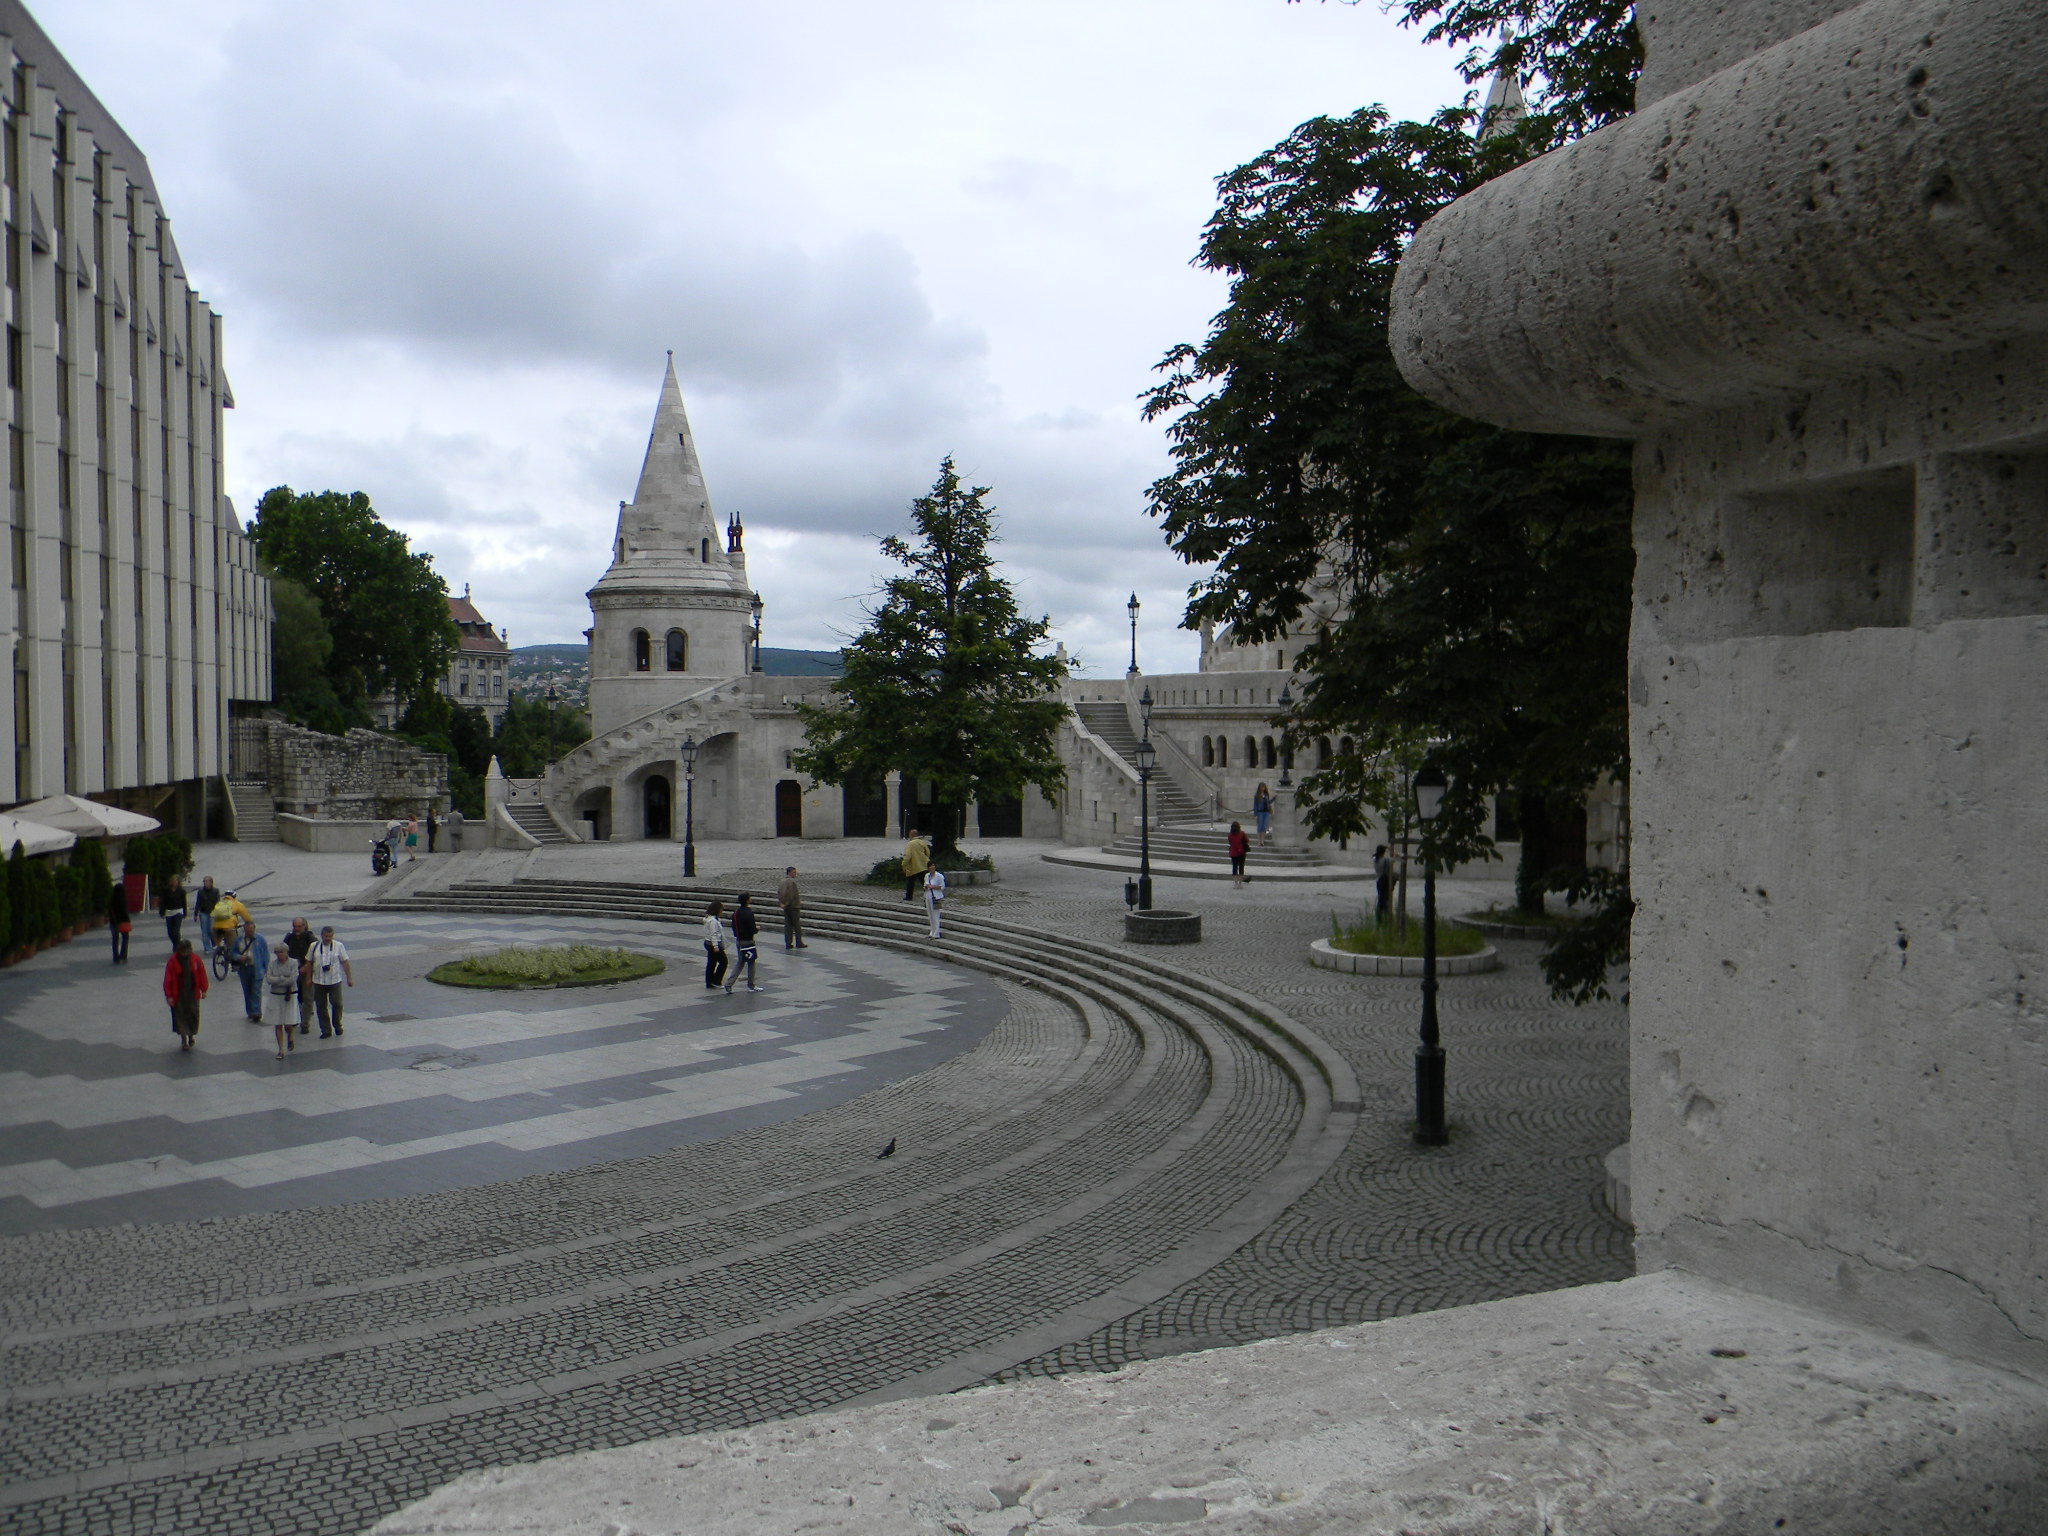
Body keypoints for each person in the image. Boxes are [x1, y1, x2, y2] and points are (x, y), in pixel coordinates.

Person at [162, 939, 208, 1051]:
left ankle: (191, 1035)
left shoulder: (196, 959)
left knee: (193, 1013)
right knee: (180, 1015)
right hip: (179, 993)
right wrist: (169, 996)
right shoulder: (173, 961)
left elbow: (202, 974)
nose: (185, 953)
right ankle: (184, 1040)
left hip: (192, 992)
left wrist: (204, 989)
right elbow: (168, 979)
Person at [310, 925, 353, 1037]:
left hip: (335, 981)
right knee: (321, 1006)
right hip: (318, 981)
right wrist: (309, 979)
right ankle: (326, 1030)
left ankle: (337, 1024)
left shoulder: (339, 946)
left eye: (330, 936)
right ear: (322, 936)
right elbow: (309, 963)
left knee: (337, 1003)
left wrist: (349, 977)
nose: (328, 938)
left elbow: (345, 962)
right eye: (326, 936)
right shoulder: (314, 946)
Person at [262, 939, 301, 1058]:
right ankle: (281, 1050)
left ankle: (290, 1036)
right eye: (277, 952)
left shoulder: (294, 963)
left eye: (281, 952)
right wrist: (282, 979)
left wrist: (277, 979)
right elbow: (269, 979)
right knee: (278, 1024)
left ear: (286, 952)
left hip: (290, 995)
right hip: (276, 996)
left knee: (289, 1024)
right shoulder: (272, 964)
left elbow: (293, 979)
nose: (279, 954)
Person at [282, 917, 317, 1035]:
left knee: (307, 997)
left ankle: (305, 1023)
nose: (296, 929)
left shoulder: (309, 938)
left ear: (304, 926)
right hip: (293, 972)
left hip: (307, 971)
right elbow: (283, 950)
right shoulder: (289, 938)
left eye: (299, 927)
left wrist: (306, 967)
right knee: (294, 997)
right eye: (294, 926)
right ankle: (295, 1018)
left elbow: (316, 954)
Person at [230, 919, 270, 1023]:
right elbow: (233, 953)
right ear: (244, 930)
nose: (249, 933)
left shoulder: (260, 939)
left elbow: (265, 954)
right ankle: (250, 1011)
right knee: (247, 991)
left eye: (251, 931)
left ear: (254, 929)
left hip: (257, 968)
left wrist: (265, 968)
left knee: (256, 991)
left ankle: (256, 1012)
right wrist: (239, 957)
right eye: (247, 931)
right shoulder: (239, 940)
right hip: (244, 969)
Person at [725, 894, 762, 993]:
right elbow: (752, 930)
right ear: (747, 900)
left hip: (739, 940)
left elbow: (733, 926)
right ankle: (751, 985)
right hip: (748, 941)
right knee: (751, 962)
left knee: (740, 962)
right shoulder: (749, 913)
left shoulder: (736, 913)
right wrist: (757, 929)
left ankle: (729, 983)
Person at [777, 866, 806, 950]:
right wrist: (786, 903)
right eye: (794, 872)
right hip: (793, 906)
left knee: (788, 925)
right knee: (796, 925)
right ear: (789, 873)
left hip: (785, 906)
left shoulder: (782, 881)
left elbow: (779, 892)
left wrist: (781, 903)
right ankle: (799, 942)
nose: (795, 874)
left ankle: (788, 943)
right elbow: (791, 895)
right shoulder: (791, 882)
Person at [701, 900, 728, 989]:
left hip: (708, 943)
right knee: (723, 962)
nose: (722, 911)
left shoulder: (709, 918)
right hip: (713, 944)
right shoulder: (713, 921)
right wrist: (716, 946)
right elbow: (714, 934)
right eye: (721, 909)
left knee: (712, 963)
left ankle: (709, 981)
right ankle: (716, 980)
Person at [901, 828, 930, 901]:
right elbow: (928, 853)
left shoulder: (910, 844)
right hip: (922, 865)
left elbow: (907, 856)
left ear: (911, 835)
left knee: (910, 882)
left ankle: (909, 897)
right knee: (924, 882)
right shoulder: (922, 842)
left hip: (912, 866)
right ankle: (928, 895)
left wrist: (904, 864)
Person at [193, 876, 221, 954]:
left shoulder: (215, 891)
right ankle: (207, 948)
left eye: (207, 881)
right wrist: (195, 914)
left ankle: (214, 943)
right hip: (203, 913)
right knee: (204, 932)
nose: (206, 883)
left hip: (212, 913)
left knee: (211, 930)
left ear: (211, 882)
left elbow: (218, 902)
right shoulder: (200, 891)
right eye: (204, 882)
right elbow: (198, 903)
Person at [161, 875, 188, 952]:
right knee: (170, 932)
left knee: (176, 931)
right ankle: (177, 943)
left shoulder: (181, 891)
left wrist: (185, 913)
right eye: (173, 881)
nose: (174, 883)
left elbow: (184, 902)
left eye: (176, 881)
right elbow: (163, 902)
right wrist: (162, 912)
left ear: (178, 882)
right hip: (169, 912)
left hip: (178, 912)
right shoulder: (166, 891)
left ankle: (177, 947)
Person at [107, 878, 131, 963]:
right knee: (125, 938)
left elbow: (110, 912)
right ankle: (123, 956)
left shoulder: (111, 900)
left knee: (115, 940)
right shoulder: (123, 900)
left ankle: (115, 957)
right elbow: (125, 912)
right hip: (123, 922)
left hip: (114, 922)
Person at [1373, 844, 1395, 925]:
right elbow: (1398, 858)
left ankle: (1380, 918)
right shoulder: (1386, 860)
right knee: (1385, 900)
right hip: (1385, 882)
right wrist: (1391, 849)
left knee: (1381, 899)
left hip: (1379, 880)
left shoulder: (1375, 859)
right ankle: (1385, 918)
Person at [923, 865, 947, 938]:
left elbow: (942, 886)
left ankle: (936, 933)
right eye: (930, 867)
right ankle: (932, 931)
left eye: (933, 866)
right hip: (928, 896)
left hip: (936, 897)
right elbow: (925, 885)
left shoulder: (939, 876)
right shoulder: (927, 876)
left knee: (935, 914)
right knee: (930, 914)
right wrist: (925, 887)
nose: (932, 868)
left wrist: (932, 887)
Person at [1227, 821, 1250, 888]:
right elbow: (1247, 840)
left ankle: (1235, 883)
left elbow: (1230, 842)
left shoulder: (1230, 835)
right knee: (1241, 867)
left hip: (1233, 853)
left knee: (1234, 867)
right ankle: (1240, 883)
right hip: (1241, 852)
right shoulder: (1242, 833)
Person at [1253, 783, 1273, 847]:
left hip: (1266, 812)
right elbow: (1255, 805)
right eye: (1261, 787)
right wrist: (1255, 814)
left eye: (1263, 787)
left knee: (1264, 827)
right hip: (1260, 812)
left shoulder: (1266, 794)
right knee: (1260, 827)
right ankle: (1259, 841)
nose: (1262, 789)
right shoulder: (1257, 795)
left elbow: (1268, 802)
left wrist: (1274, 798)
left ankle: (1262, 841)